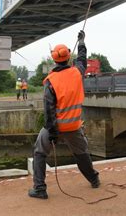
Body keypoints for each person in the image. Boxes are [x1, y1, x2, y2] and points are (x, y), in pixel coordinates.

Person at [28, 30, 99, 199]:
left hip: (56, 126)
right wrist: (81, 41)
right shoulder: (77, 72)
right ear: (68, 58)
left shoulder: (50, 81)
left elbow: (49, 109)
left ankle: (40, 189)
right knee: (81, 153)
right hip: (74, 126)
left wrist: (52, 133)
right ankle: (94, 179)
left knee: (39, 153)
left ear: (54, 59)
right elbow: (82, 58)